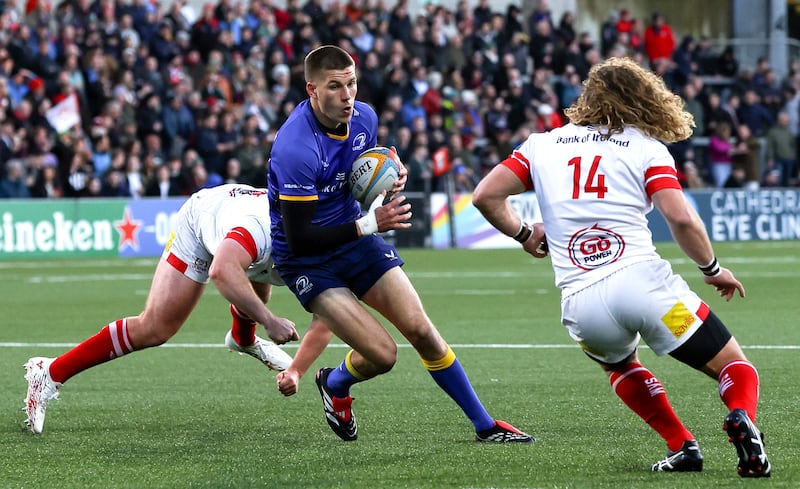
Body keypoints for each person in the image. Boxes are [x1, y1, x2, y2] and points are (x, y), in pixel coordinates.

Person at [472, 57, 771, 477]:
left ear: (586, 98)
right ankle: (741, 416)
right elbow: (681, 218)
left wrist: (524, 234)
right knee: (733, 366)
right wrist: (712, 268)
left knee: (618, 365)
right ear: (644, 99)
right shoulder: (647, 148)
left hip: (582, 304)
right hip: (647, 290)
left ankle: (682, 445)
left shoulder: (541, 145)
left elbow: (485, 196)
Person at [267, 45, 532, 443]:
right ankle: (336, 384)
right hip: (308, 261)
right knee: (384, 355)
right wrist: (368, 223)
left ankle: (485, 425)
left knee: (421, 330)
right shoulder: (295, 148)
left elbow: (359, 176)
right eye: (335, 86)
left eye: (352, 83)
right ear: (312, 90)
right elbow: (300, 238)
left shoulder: (365, 118)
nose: (347, 95)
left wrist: (389, 177)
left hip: (354, 236)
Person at [23, 184, 303, 434]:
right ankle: (48, 372)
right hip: (201, 221)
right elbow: (222, 272)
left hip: (242, 224)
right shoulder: (258, 232)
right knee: (155, 328)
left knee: (257, 291)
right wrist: (269, 321)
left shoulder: (321, 235)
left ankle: (243, 339)